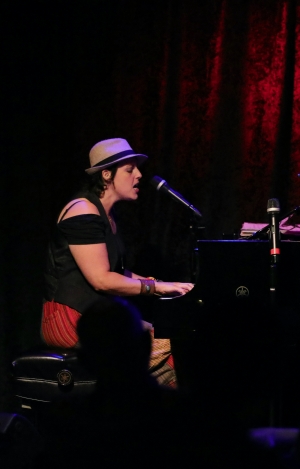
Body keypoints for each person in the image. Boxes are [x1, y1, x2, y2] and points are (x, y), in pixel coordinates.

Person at [42, 138, 193, 386]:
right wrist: (155, 288)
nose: (139, 175)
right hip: (69, 319)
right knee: (167, 341)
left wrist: (165, 283)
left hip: (95, 318)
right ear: (106, 175)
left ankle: (157, 414)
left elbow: (117, 271)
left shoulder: (104, 214)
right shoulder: (82, 211)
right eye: (130, 169)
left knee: (169, 346)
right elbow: (102, 279)